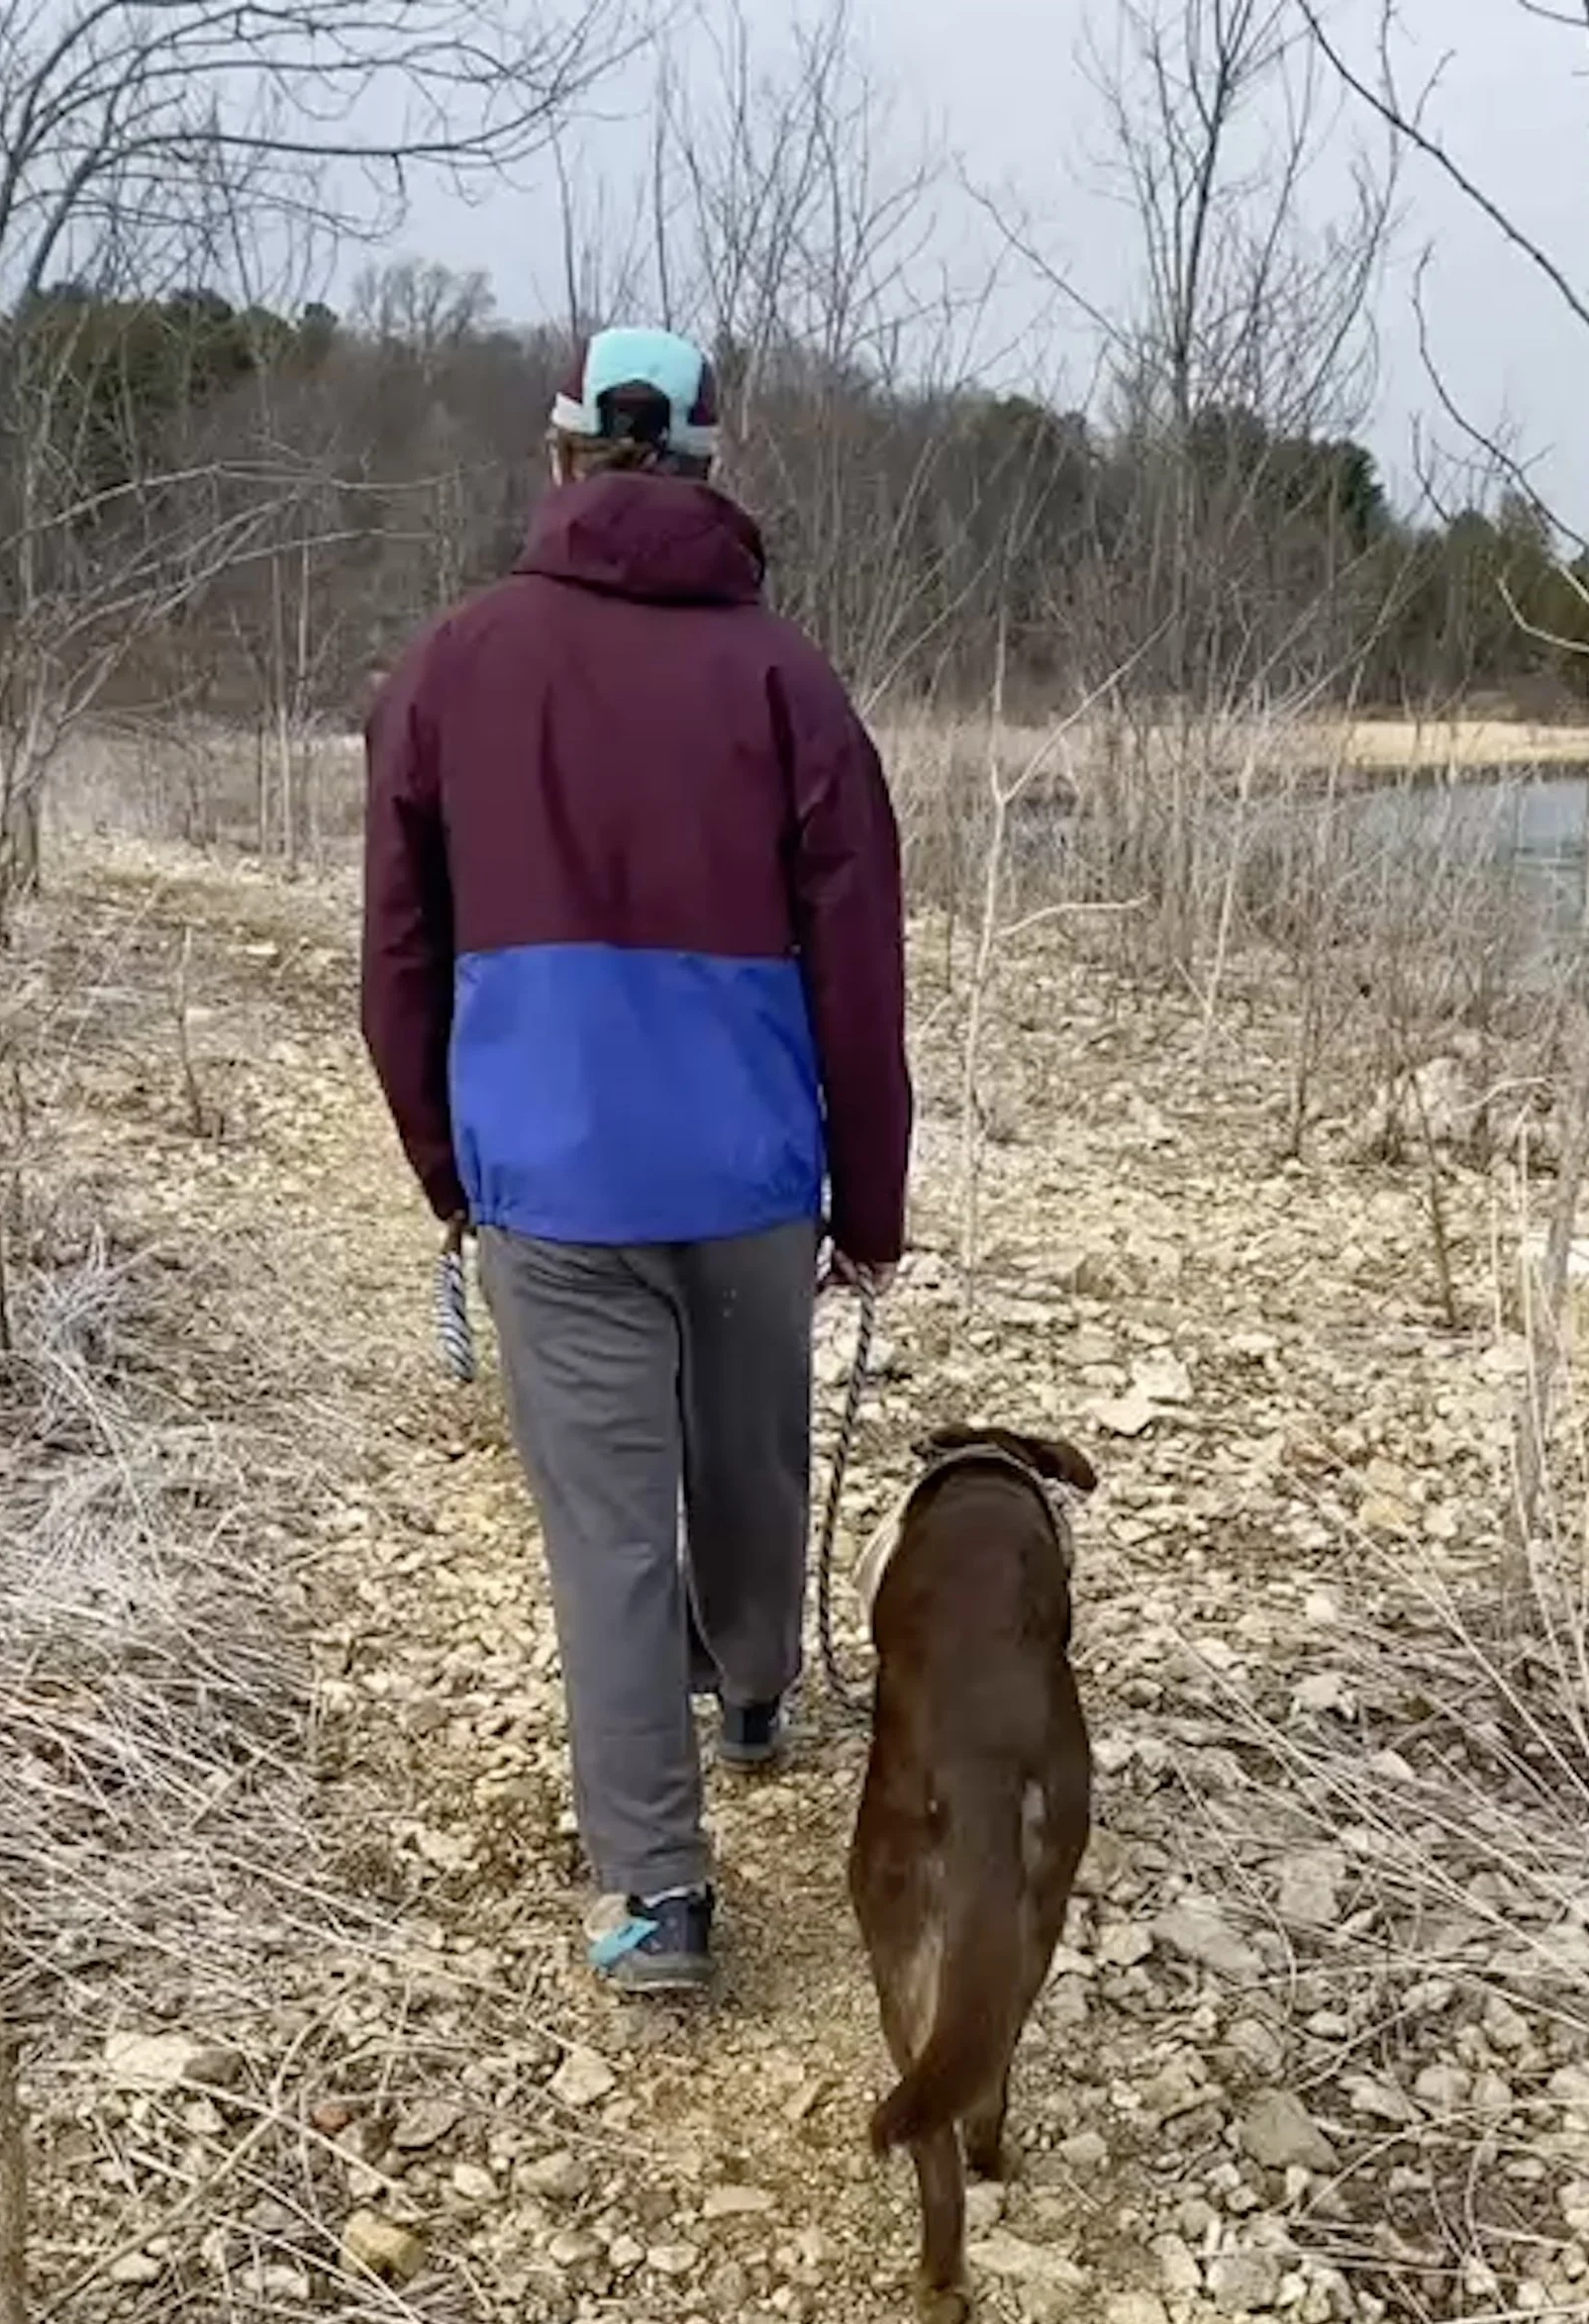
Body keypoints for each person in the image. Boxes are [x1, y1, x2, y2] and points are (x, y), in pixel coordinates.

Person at [361, 327, 914, 1996]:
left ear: (560, 460)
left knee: (607, 1533)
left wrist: (447, 1170)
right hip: (750, 1176)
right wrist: (869, 1204)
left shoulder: (449, 668)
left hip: (552, 1181)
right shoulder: (790, 680)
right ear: (706, 467)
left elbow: (399, 956)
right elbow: (861, 971)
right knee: (747, 1461)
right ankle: (753, 1688)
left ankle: (662, 1899)